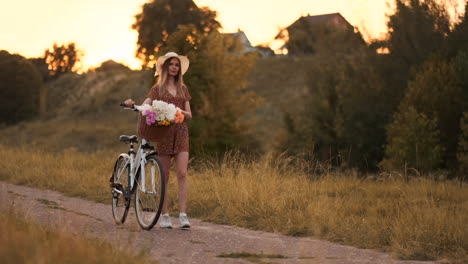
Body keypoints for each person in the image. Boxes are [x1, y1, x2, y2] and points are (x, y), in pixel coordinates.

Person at [125, 52, 192, 229]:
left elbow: (189, 114)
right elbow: (146, 105)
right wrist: (134, 105)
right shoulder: (157, 89)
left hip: (181, 132)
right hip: (164, 133)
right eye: (171, 64)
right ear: (165, 67)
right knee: (165, 175)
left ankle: (183, 214)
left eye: (177, 65)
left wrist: (177, 110)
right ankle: (165, 215)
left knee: (182, 173)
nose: (174, 67)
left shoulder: (183, 90)